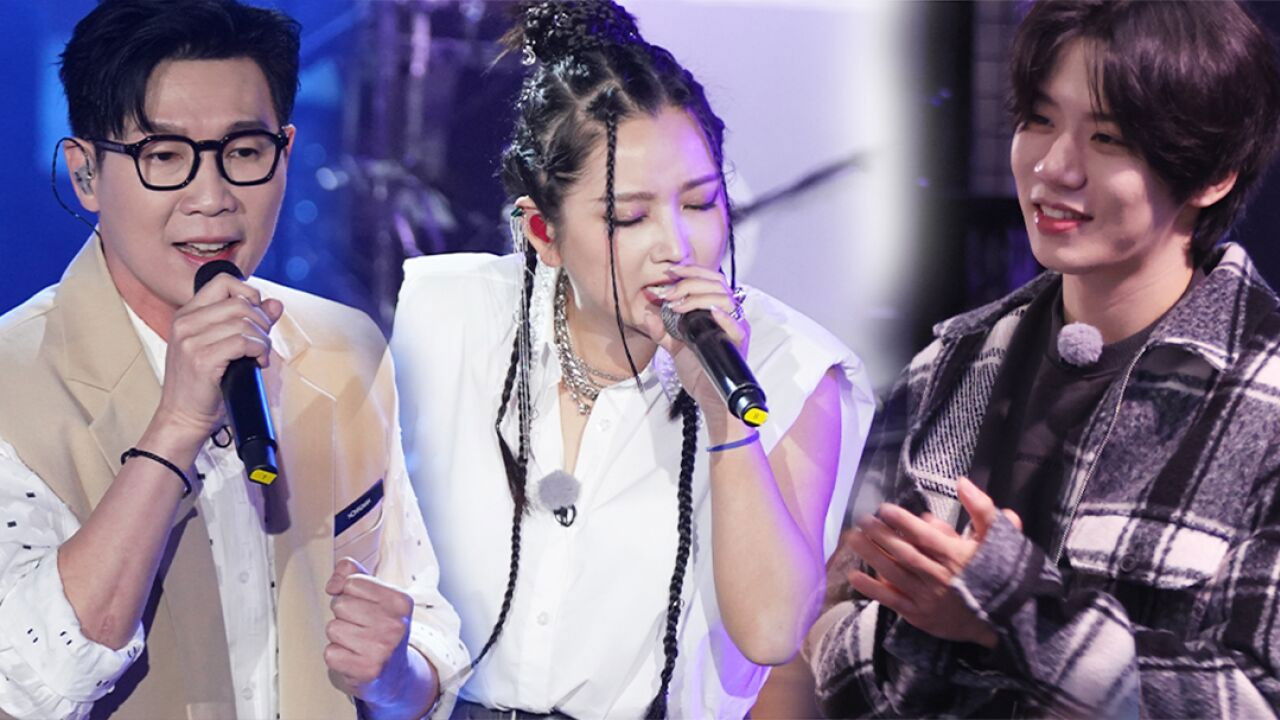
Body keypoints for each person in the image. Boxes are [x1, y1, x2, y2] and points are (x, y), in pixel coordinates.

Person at [390, 2, 875, 718]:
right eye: (629, 216)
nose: (676, 246)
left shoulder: (790, 367)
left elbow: (773, 632)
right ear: (543, 231)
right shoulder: (453, 314)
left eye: (701, 204)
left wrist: (726, 420)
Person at [807, 1, 1280, 716]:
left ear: (1213, 174)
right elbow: (835, 630)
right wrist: (923, 631)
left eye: (1108, 138)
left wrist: (1013, 620)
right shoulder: (949, 366)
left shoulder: (1263, 397)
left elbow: (1256, 699)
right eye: (1037, 119)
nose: (1054, 167)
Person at [0, 1, 468, 718]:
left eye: (244, 152)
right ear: (86, 172)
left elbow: (420, 621)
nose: (213, 198)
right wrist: (176, 425)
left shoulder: (345, 348)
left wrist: (395, 677)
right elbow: (25, 682)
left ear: (285, 151)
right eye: (164, 156)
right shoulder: (13, 381)